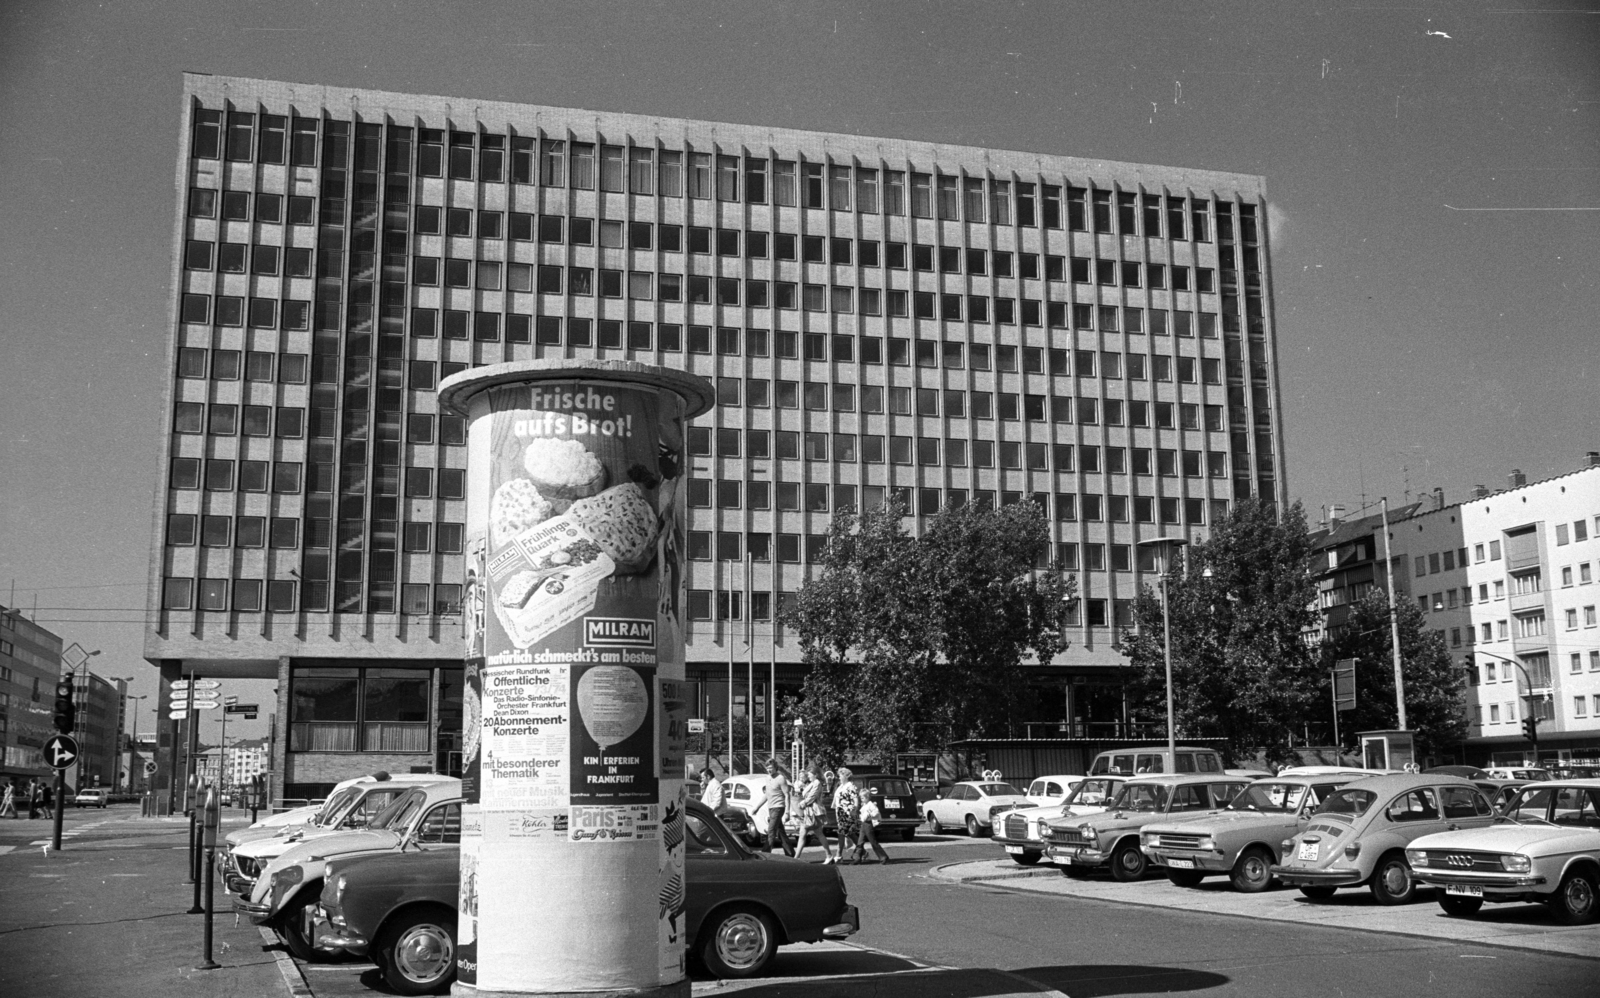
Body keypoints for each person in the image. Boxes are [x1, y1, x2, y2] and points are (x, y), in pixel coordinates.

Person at [792, 764, 834, 863]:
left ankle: (796, 858)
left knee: (807, 833)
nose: (808, 776)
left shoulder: (817, 783)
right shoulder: (813, 782)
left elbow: (812, 796)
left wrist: (803, 803)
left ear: (815, 774)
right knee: (815, 833)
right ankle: (829, 855)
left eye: (810, 774)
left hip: (813, 811)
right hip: (810, 812)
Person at [761, 759, 794, 857]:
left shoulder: (781, 778)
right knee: (781, 832)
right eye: (767, 768)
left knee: (771, 830)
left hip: (779, 807)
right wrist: (757, 807)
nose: (769, 770)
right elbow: (767, 795)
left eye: (771, 768)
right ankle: (790, 854)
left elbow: (787, 795)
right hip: (771, 808)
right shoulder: (767, 778)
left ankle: (765, 854)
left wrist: (787, 812)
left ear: (775, 767)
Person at [832, 768, 862, 863]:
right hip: (840, 813)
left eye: (840, 775)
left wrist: (855, 810)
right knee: (850, 833)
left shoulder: (850, 786)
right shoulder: (841, 786)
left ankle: (839, 855)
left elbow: (855, 800)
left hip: (847, 814)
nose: (839, 777)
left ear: (846, 776)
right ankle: (863, 852)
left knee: (841, 833)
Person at [856, 787, 891, 864]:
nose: (861, 799)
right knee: (860, 842)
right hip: (863, 825)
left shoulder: (870, 805)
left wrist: (870, 815)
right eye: (861, 797)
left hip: (868, 824)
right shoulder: (864, 805)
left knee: (873, 842)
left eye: (863, 797)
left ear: (867, 797)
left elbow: (876, 812)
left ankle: (883, 857)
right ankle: (857, 858)